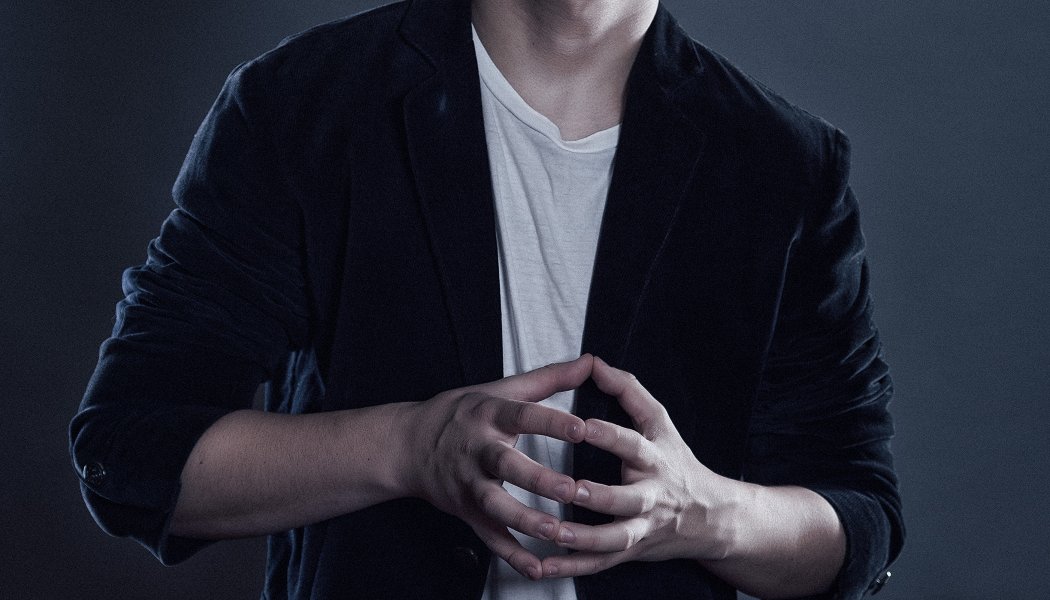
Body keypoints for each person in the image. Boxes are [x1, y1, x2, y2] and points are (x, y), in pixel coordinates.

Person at [70, 0, 904, 598]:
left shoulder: (785, 166)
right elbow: (132, 453)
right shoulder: (301, 107)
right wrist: (409, 448)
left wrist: (702, 513)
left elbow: (857, 521)